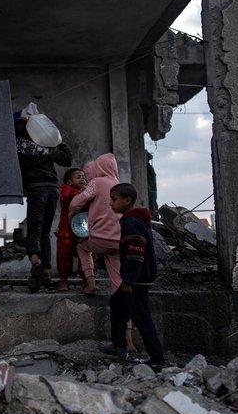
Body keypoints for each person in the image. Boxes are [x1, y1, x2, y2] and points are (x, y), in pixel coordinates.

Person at [99, 182, 164, 368]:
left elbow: (136, 253)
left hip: (137, 280)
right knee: (117, 303)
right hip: (138, 278)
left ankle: (157, 357)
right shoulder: (133, 220)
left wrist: (129, 279)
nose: (110, 203)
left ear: (127, 201)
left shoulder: (131, 222)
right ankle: (119, 345)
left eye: (114, 199)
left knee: (141, 316)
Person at [15, 118, 72, 293]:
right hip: (52, 190)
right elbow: (67, 160)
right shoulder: (47, 147)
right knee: (46, 231)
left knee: (34, 230)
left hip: (35, 189)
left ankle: (35, 262)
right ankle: (47, 272)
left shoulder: (19, 148)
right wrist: (59, 141)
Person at [68, 153, 121, 296]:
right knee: (118, 280)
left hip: (100, 239)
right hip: (119, 241)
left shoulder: (97, 182)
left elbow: (75, 203)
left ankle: (90, 283)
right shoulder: (117, 183)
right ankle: (126, 315)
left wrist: (71, 217)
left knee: (81, 246)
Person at [56, 167, 86, 291]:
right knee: (64, 255)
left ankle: (87, 279)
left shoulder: (85, 192)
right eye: (78, 177)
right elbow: (67, 197)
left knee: (86, 253)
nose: (83, 180)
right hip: (66, 228)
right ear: (69, 182)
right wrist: (82, 193)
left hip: (83, 227)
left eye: (84, 178)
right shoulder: (66, 190)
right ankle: (63, 280)